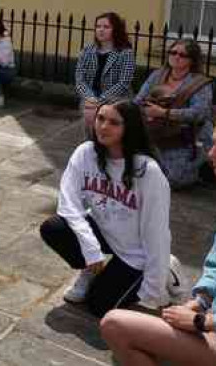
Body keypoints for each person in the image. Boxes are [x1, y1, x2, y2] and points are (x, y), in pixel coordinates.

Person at [100, 111, 216, 366]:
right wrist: (200, 301)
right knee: (129, 345)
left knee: (115, 325)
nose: (212, 154)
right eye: (213, 144)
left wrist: (202, 322)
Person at [39, 101, 175, 318]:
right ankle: (90, 269)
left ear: (129, 127)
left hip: (135, 252)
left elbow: (156, 232)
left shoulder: (147, 171)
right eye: (100, 118)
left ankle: (168, 269)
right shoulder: (86, 152)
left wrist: (152, 292)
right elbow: (68, 203)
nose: (103, 127)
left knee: (100, 307)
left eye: (114, 122)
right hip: (103, 231)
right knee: (54, 228)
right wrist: (89, 247)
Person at [133, 38, 215, 189]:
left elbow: (200, 113)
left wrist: (164, 112)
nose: (176, 57)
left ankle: (201, 162)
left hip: (183, 135)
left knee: (173, 181)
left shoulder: (200, 83)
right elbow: (137, 101)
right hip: (155, 131)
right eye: (173, 52)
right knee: (142, 175)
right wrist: (145, 110)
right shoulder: (157, 75)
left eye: (183, 55)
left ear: (192, 60)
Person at [75, 12, 136, 136]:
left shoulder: (125, 53)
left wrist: (100, 101)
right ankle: (90, 147)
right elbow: (79, 78)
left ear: (115, 29)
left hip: (116, 99)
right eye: (98, 26)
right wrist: (90, 97)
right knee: (89, 121)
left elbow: (123, 83)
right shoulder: (87, 50)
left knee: (105, 127)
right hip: (90, 97)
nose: (101, 30)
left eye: (106, 27)